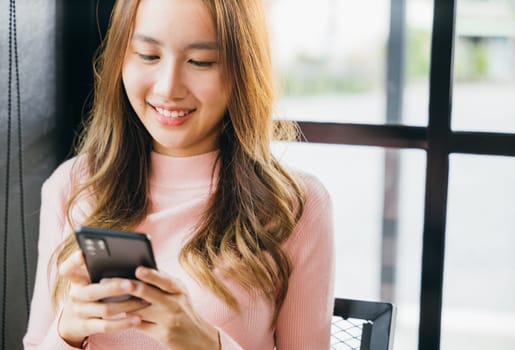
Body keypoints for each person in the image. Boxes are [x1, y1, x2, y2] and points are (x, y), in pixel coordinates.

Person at [23, 0, 334, 348]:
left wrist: (208, 343)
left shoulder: (296, 205)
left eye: (200, 61)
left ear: (242, 68)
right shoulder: (73, 185)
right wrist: (66, 331)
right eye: (148, 55)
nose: (168, 88)